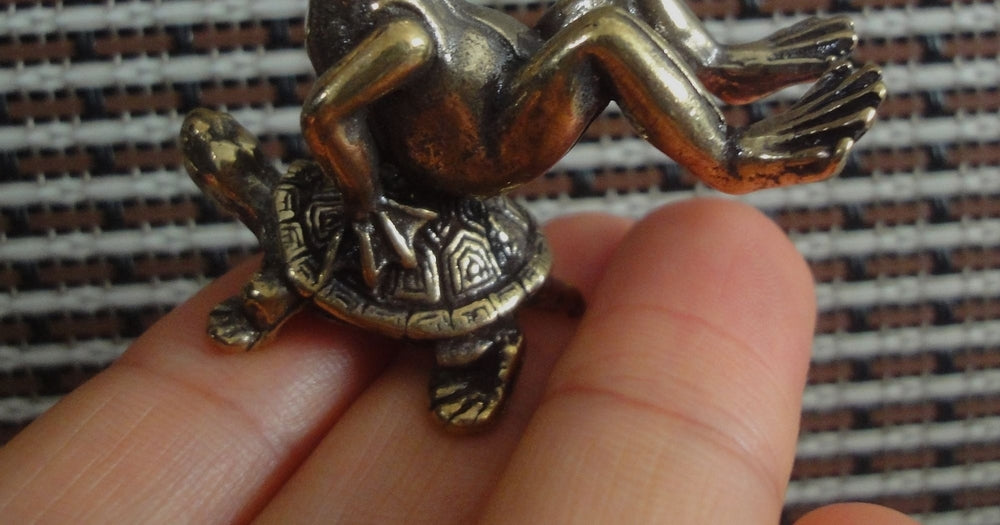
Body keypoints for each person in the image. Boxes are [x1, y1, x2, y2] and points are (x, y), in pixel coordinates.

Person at [0, 200, 915, 523]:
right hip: (493, 240)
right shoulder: (307, 212)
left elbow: (283, 282)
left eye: (215, 158)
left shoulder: (294, 237)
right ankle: (518, 305)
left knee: (468, 328)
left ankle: (489, 342)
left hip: (456, 272)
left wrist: (256, 311)